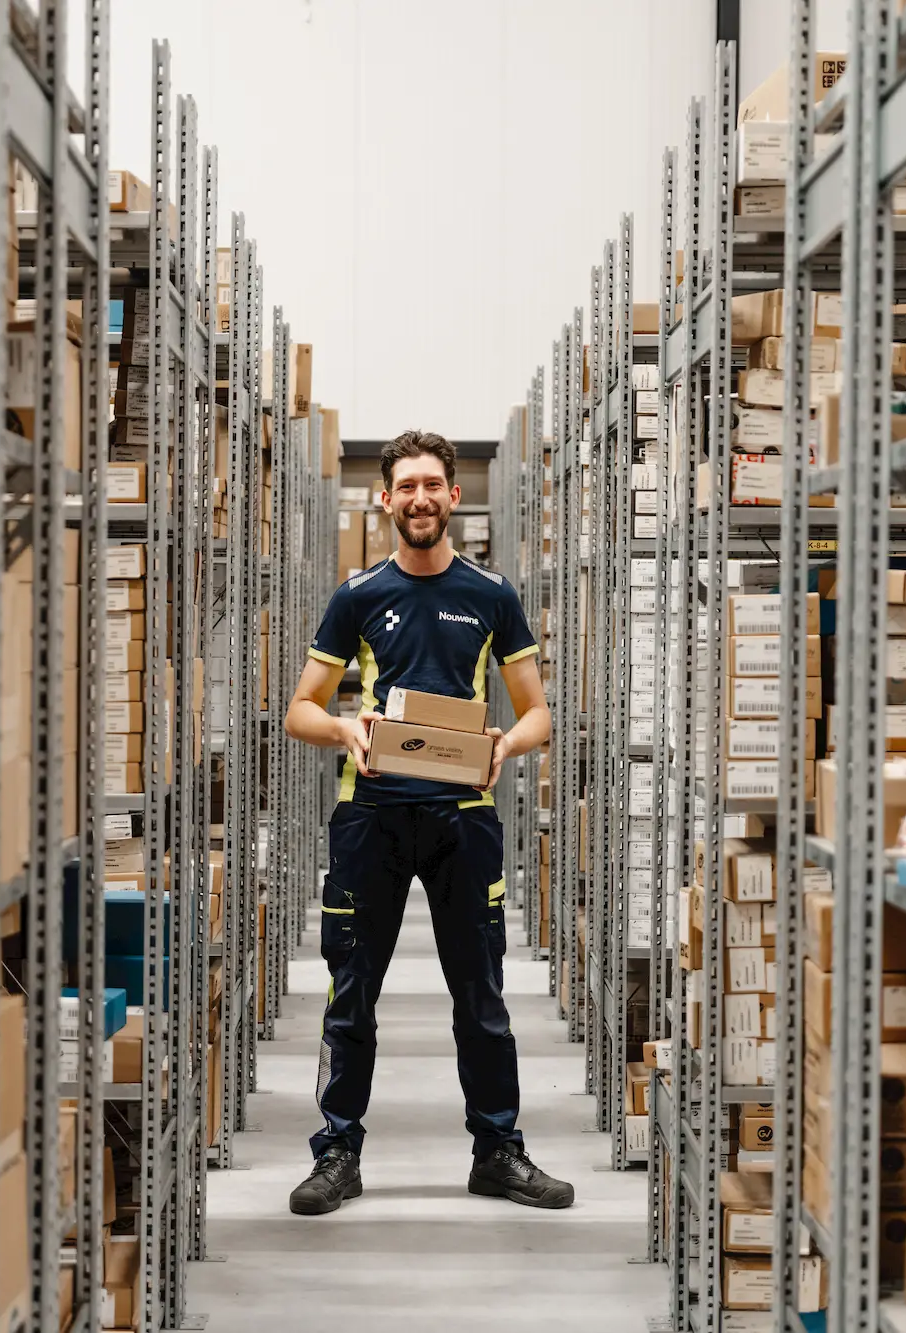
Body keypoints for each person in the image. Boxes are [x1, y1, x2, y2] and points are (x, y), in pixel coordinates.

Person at [280, 428, 571, 1217]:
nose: (419, 498)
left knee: (480, 993)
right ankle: (338, 1150)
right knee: (351, 996)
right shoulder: (358, 595)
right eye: (405, 485)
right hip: (371, 815)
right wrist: (346, 730)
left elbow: (538, 711)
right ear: (386, 499)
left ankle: (498, 1151)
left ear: (452, 495)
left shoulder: (491, 595)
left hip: (463, 817)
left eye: (432, 485)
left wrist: (503, 745)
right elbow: (298, 709)